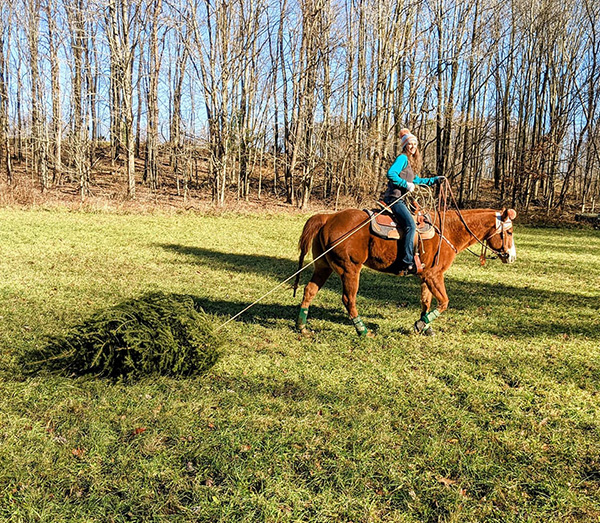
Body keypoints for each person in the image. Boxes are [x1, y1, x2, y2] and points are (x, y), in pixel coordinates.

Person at [382, 129, 441, 274]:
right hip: (394, 199)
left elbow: (417, 180)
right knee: (410, 226)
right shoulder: (402, 159)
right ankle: (407, 261)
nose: (412, 146)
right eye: (410, 144)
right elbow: (391, 173)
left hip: (401, 200)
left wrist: (435, 180)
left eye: (415, 144)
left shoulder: (410, 163)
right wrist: (405, 184)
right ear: (405, 146)